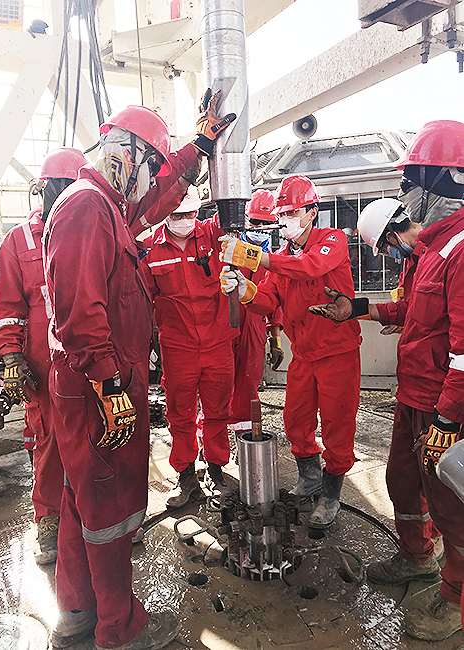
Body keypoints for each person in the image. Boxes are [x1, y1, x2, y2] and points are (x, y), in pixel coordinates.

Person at [44, 96, 234, 650]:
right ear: (126, 155)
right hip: (96, 389)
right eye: (149, 165)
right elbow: (80, 314)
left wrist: (198, 148)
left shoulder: (106, 208)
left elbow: (157, 196)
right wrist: (110, 387)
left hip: (91, 388)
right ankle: (119, 629)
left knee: (82, 503)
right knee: (110, 510)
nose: (148, 181)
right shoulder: (87, 208)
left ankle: (76, 612)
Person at [308, 120, 464, 642]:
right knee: (402, 480)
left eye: (411, 181)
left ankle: (455, 599)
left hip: (441, 405)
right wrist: (354, 308)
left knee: (451, 505)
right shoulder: (430, 252)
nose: (406, 192)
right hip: (413, 395)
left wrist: (447, 418)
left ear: (441, 182)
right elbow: (410, 313)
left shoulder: (460, 250)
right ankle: (417, 556)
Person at [220, 174, 362, 529]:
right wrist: (243, 289)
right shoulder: (282, 257)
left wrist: (255, 257)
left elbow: (311, 267)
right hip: (304, 354)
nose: (284, 219)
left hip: (338, 353)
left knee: (337, 425)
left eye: (291, 212)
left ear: (312, 212)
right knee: (296, 422)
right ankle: (310, 479)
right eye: (281, 213)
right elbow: (268, 301)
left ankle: (331, 495)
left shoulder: (333, 240)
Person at [0, 147, 87, 565]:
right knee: (48, 443)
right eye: (58, 187)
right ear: (43, 189)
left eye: (72, 187)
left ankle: (96, 518)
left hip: (86, 359)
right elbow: (8, 306)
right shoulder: (19, 241)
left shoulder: (90, 230)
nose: (64, 194)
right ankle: (49, 519)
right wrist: (12, 358)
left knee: (94, 439)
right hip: (42, 367)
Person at [141, 184, 237, 507]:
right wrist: (146, 343)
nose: (185, 220)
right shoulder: (149, 250)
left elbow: (233, 211)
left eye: (191, 214)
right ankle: (186, 477)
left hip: (216, 342)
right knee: (179, 414)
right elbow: (144, 299)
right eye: (178, 215)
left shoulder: (213, 235)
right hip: (177, 347)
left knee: (217, 411)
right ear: (164, 215)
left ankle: (216, 470)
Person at [229, 189, 283, 434]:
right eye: (255, 222)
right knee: (216, 384)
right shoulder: (229, 252)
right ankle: (208, 440)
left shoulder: (273, 261)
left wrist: (275, 341)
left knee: (249, 383)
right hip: (225, 329)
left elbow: (275, 305)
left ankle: (244, 436)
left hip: (254, 331)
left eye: (266, 223)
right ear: (245, 220)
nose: (260, 228)